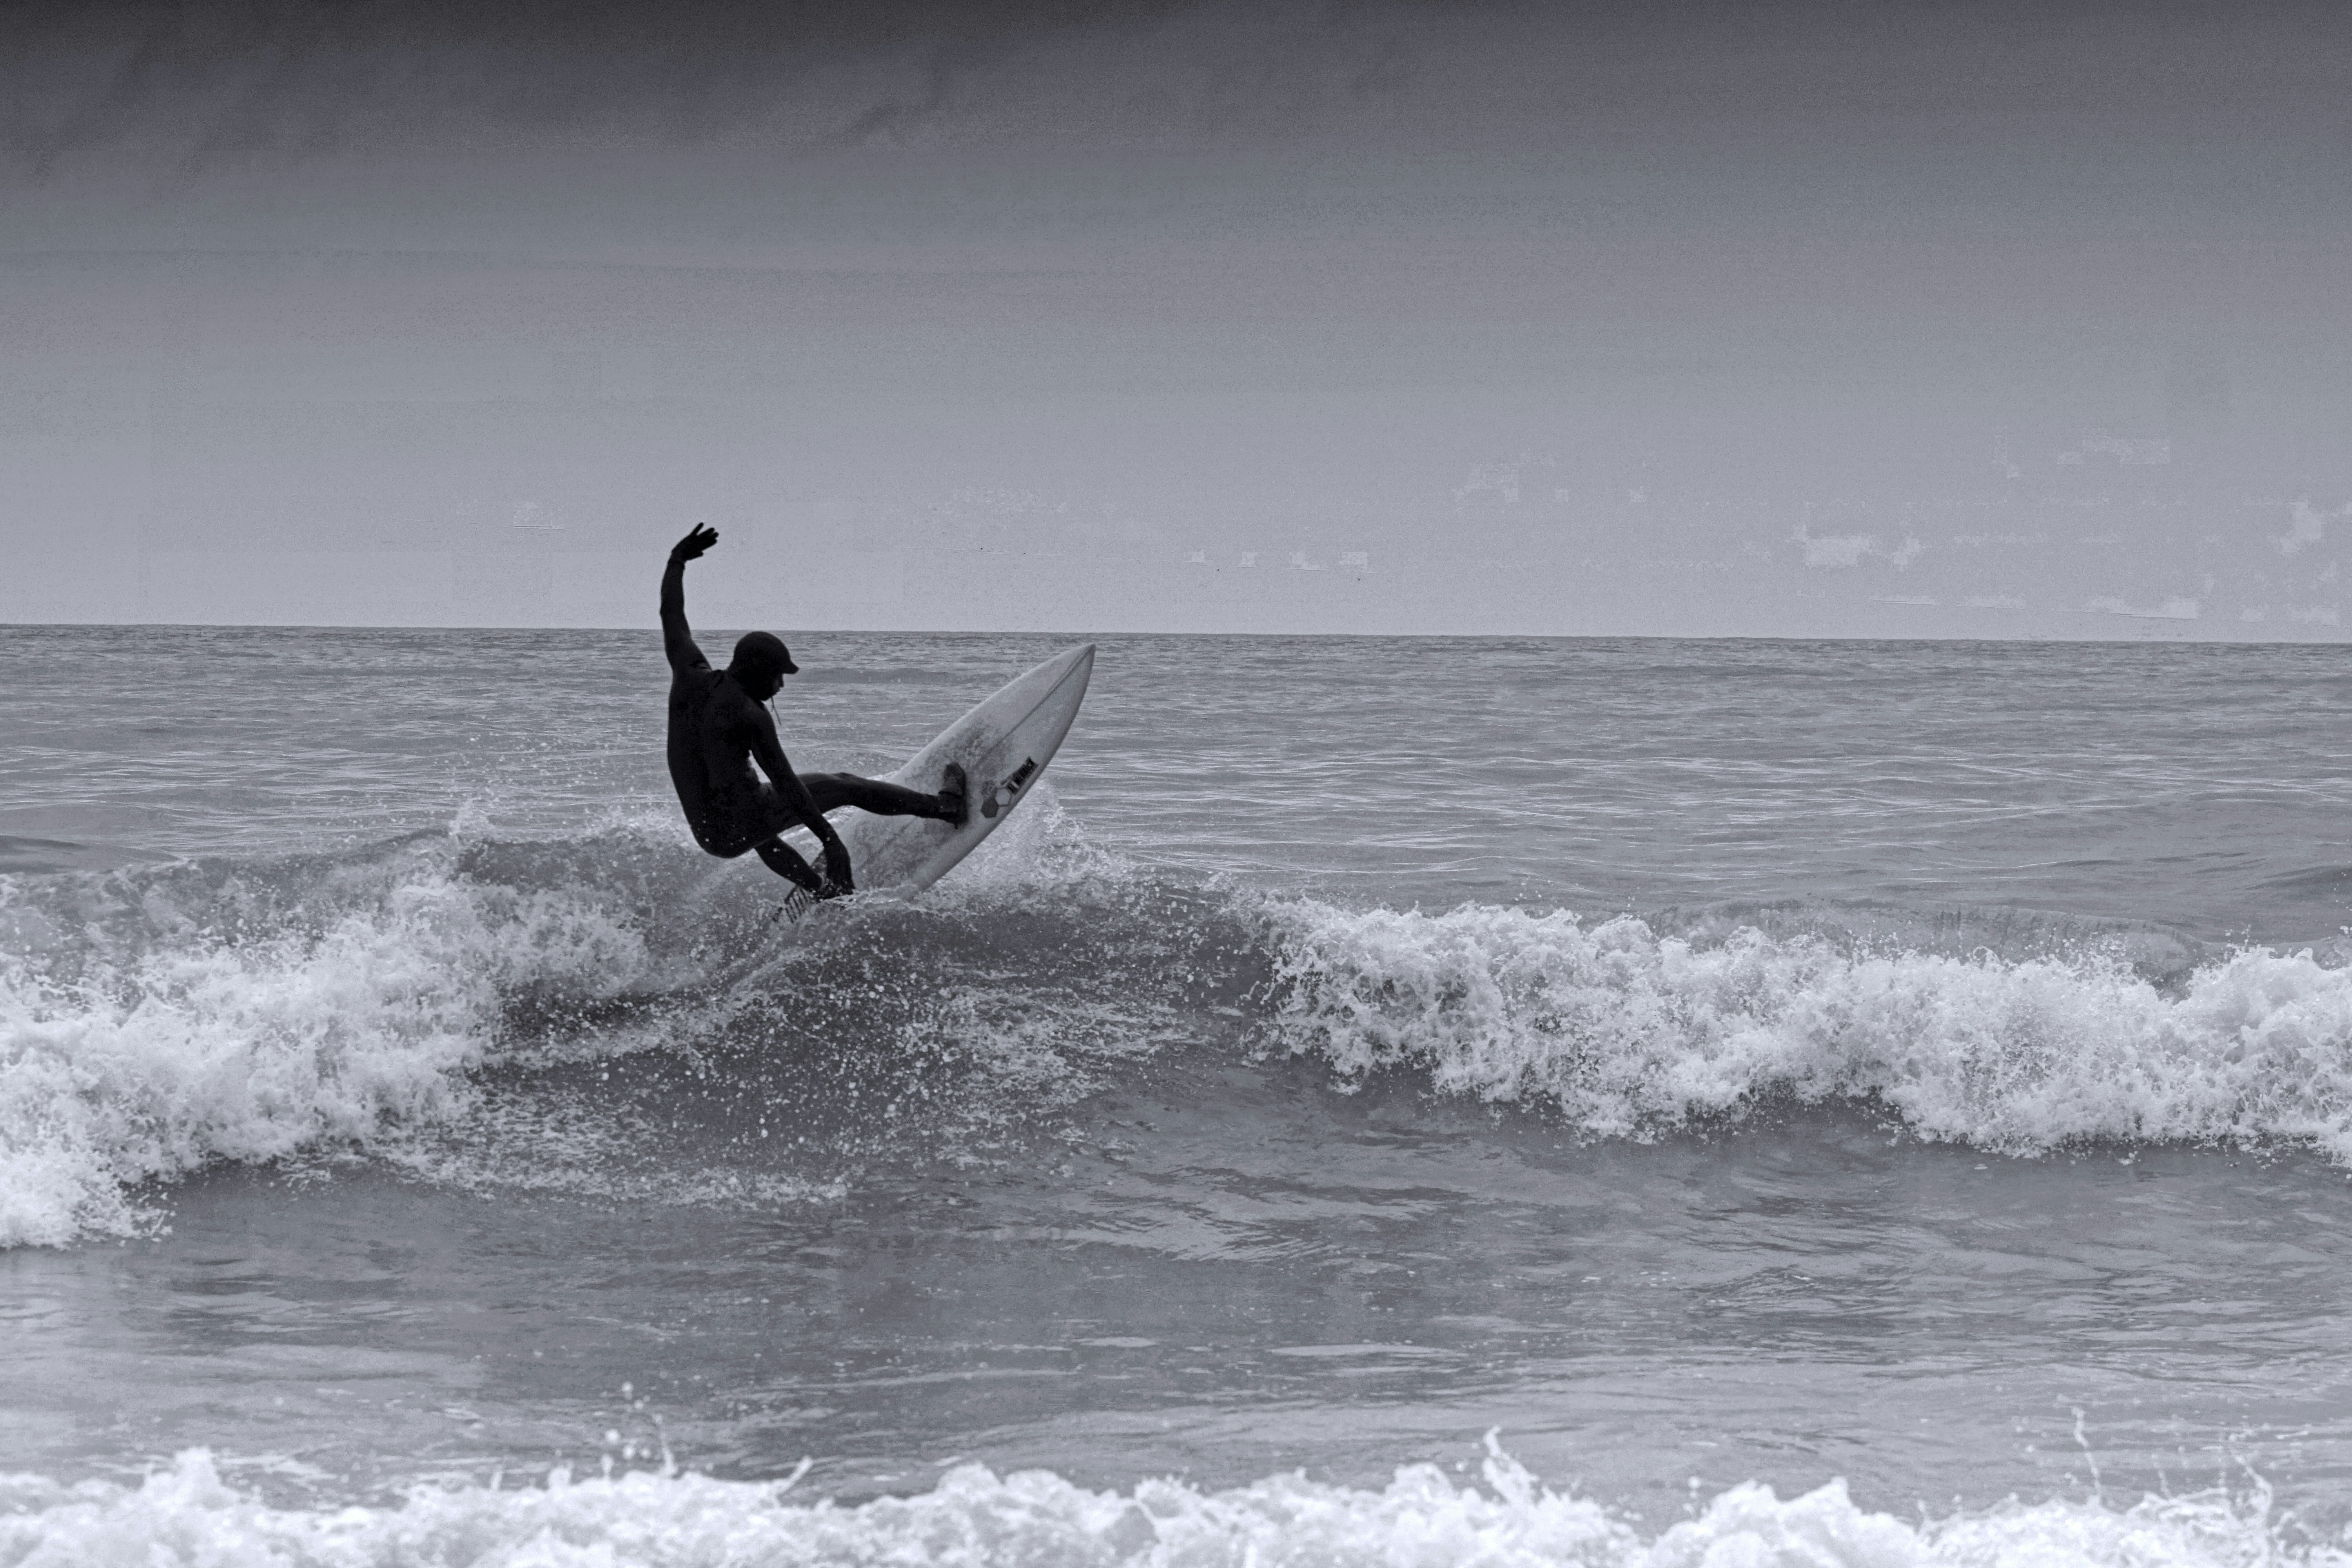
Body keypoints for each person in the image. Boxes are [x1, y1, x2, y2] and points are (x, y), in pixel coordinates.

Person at [661, 523, 965, 900]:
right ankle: (945, 808)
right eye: (778, 677)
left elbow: (671, 615)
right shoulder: (749, 714)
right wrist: (832, 842)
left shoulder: (689, 676)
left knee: (749, 808)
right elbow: (788, 784)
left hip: (709, 833)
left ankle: (822, 891)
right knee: (844, 784)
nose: (781, 687)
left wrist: (677, 560)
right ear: (758, 672)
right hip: (741, 821)